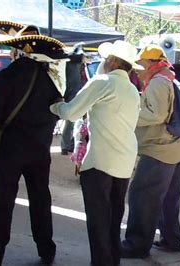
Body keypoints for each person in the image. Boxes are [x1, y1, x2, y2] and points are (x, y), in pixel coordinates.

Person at [50, 40, 142, 266]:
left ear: (112, 61)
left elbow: (71, 113)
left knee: (98, 220)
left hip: (101, 160)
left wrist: (55, 106)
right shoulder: (132, 89)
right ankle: (112, 261)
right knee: (113, 219)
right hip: (124, 160)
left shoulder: (103, 81)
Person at [0, 22, 68, 265]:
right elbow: (57, 111)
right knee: (40, 198)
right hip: (39, 150)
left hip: (11, 149)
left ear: (19, 50)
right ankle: (46, 249)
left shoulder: (5, 77)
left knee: (4, 201)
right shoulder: (51, 80)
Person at [121, 45, 180, 257]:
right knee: (168, 199)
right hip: (173, 148)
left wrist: (127, 115)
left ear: (150, 64)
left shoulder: (158, 82)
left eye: (141, 64)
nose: (138, 69)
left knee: (142, 196)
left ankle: (136, 245)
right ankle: (171, 239)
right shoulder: (170, 78)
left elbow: (156, 115)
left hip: (159, 149)